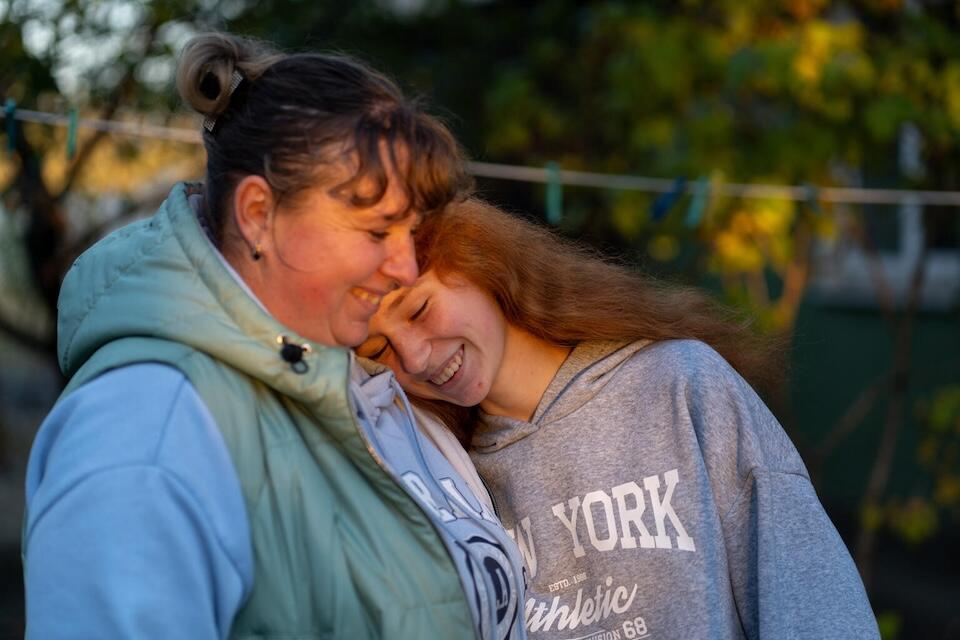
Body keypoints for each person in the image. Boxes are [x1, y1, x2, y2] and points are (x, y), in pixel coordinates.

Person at [22, 34, 527, 639]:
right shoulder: (148, 431)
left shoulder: (341, 384)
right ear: (258, 213)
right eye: (376, 232)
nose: (405, 268)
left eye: (410, 232)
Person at [360, 198, 881, 639]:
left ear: (477, 260)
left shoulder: (681, 384)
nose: (414, 358)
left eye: (418, 310)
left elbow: (816, 604)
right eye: (380, 348)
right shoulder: (448, 476)